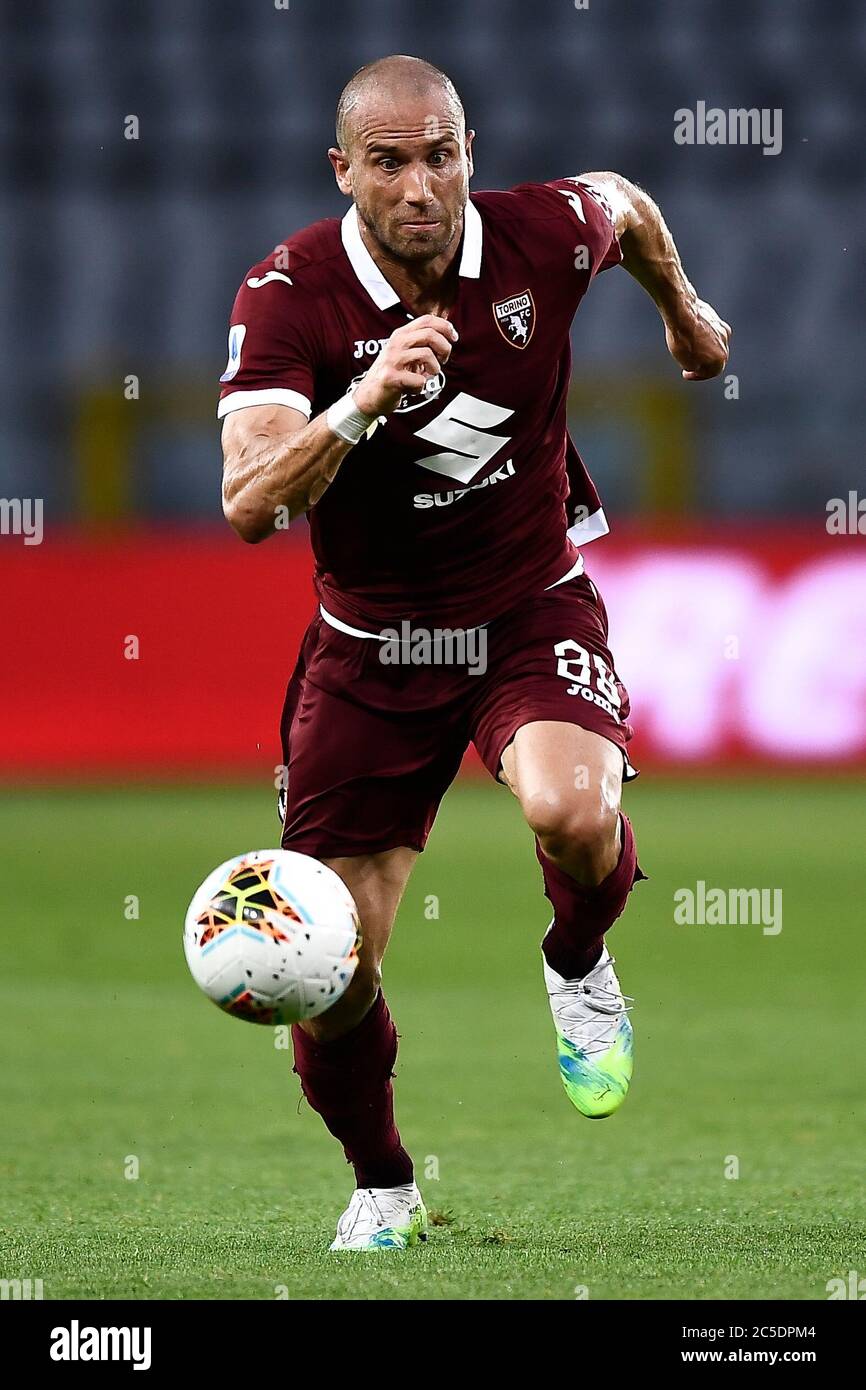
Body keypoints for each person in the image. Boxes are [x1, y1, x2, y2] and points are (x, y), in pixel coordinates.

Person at [218, 54, 731, 1251]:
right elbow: (248, 503)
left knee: (571, 810)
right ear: (341, 170)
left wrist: (685, 316)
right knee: (332, 964)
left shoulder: (538, 234)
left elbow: (625, 202)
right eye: (387, 161)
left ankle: (575, 959)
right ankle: (385, 1181)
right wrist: (358, 402)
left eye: (440, 152)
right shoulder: (286, 296)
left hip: (525, 609)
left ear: (467, 150)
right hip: (370, 649)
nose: (419, 184)